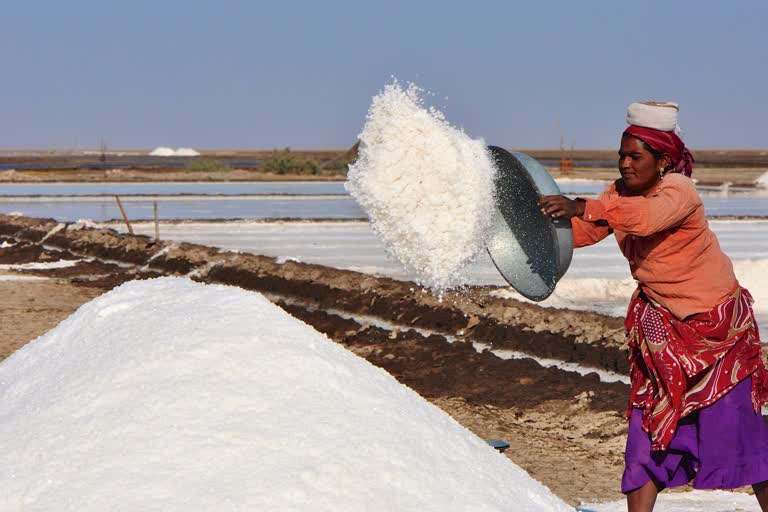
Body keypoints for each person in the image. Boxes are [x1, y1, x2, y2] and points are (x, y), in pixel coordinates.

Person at [539, 101, 768, 512]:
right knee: (646, 435)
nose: (625, 164)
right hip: (662, 335)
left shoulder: (679, 191)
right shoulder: (618, 195)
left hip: (716, 334)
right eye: (621, 155)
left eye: (635, 156)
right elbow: (587, 229)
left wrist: (582, 204)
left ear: (662, 161)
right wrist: (537, 226)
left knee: (743, 436)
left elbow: (646, 218)